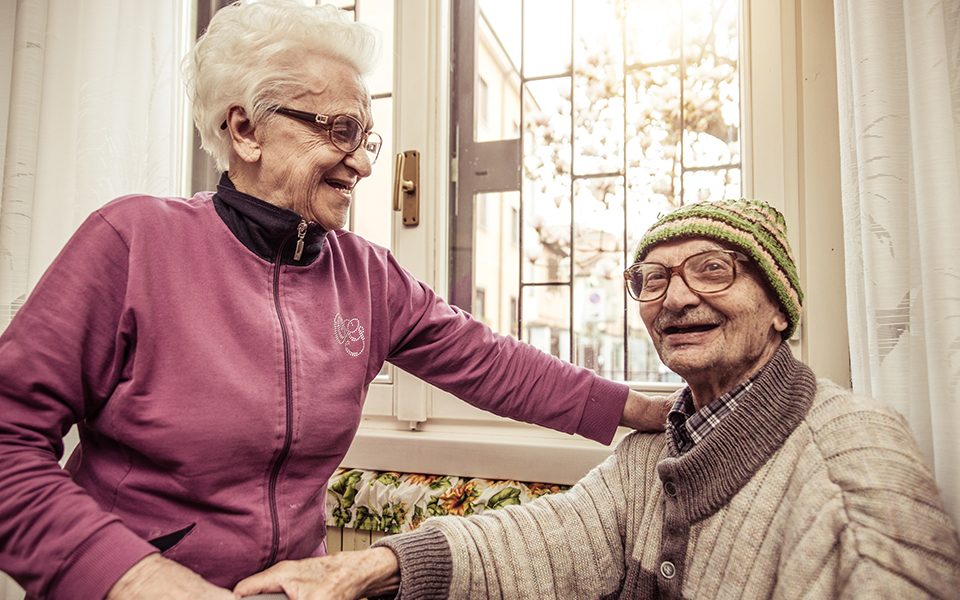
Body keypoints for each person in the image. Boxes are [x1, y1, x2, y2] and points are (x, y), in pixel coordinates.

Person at [0, 2, 670, 599]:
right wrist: (139, 578)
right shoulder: (132, 242)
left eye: (366, 135)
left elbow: (496, 365)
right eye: (339, 130)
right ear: (245, 130)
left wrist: (646, 410)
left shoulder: (368, 276)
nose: (365, 162)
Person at [235, 198, 960, 599]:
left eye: (713, 269)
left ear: (780, 309)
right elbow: (549, 539)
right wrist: (376, 564)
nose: (676, 297)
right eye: (652, 278)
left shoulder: (855, 446)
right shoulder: (655, 453)